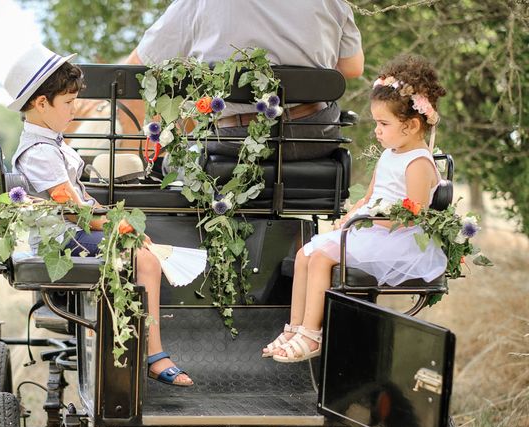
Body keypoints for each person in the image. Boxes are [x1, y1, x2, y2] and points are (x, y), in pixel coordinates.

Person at [4, 44, 193, 386]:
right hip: (60, 240)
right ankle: (152, 354)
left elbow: (80, 198)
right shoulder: (38, 152)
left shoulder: (54, 142)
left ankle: (136, 345)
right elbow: (72, 210)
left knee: (143, 249)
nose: (74, 110)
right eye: (67, 103)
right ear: (41, 103)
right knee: (144, 259)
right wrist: (115, 225)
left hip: (71, 232)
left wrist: (112, 219)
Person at [263, 55, 448, 362]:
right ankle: (294, 328)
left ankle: (311, 334)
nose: (377, 130)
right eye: (377, 123)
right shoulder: (391, 154)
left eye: (384, 124)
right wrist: (354, 214)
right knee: (303, 254)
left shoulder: (418, 162)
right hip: (370, 227)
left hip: (397, 238)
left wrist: (368, 222)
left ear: (412, 125)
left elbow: (414, 213)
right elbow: (372, 195)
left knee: (321, 259)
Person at [125, 0, 364, 161]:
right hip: (314, 137)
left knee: (172, 164)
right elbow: (352, 68)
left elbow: (139, 65)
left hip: (232, 142)